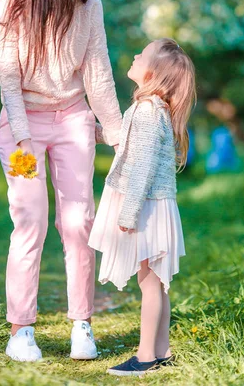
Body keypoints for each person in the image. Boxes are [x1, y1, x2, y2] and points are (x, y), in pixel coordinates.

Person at [0, 0, 122, 362]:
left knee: (78, 220)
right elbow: (8, 78)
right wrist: (24, 139)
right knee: (30, 220)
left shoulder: (91, 4)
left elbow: (98, 74)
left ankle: (81, 324)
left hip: (71, 120)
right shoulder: (13, 3)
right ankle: (21, 330)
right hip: (21, 126)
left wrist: (116, 131)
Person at [89, 38, 196, 376]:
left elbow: (143, 165)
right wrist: (101, 134)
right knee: (156, 282)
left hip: (146, 205)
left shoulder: (148, 110)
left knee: (150, 283)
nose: (135, 55)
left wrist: (128, 212)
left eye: (142, 54)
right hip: (155, 204)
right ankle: (162, 350)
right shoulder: (153, 109)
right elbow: (132, 146)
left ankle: (146, 356)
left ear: (154, 72)